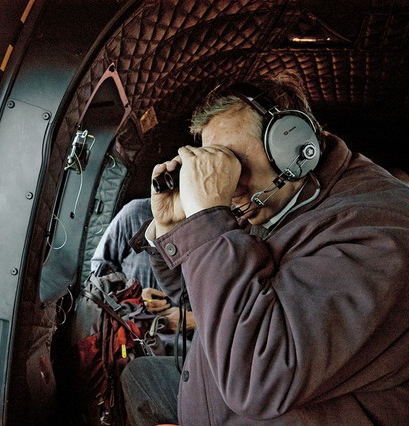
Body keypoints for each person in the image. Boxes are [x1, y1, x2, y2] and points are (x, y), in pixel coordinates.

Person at [121, 72, 409, 425]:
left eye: (235, 163)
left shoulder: (379, 234)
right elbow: (205, 302)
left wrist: (211, 221)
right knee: (139, 375)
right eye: (218, 165)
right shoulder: (279, 202)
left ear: (293, 146)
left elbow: (260, 373)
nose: (228, 186)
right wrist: (175, 228)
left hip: (258, 395)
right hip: (220, 395)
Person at [91, 198, 196, 337]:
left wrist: (196, 320)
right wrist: (131, 298)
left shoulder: (215, 226)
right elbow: (99, 269)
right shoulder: (135, 213)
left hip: (191, 345)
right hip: (133, 340)